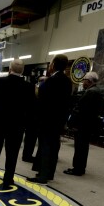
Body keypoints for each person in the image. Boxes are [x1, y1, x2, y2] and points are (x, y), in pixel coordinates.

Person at [0, 59, 35, 188]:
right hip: (17, 125)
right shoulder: (29, 87)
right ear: (23, 71)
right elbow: (31, 108)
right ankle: (8, 178)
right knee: (12, 153)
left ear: (9, 69)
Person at [26, 54, 72, 185]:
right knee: (54, 147)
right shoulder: (67, 81)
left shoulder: (51, 81)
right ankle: (49, 173)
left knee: (45, 147)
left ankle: (42, 176)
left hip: (47, 120)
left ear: (54, 65)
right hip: (59, 121)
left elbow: (42, 100)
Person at [64, 71, 104, 176]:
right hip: (89, 124)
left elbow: (80, 109)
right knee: (83, 147)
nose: (83, 82)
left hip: (82, 125)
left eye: (84, 80)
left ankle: (77, 168)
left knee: (80, 147)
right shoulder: (98, 91)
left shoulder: (90, 92)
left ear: (89, 81)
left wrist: (72, 123)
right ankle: (80, 168)